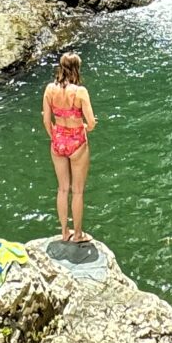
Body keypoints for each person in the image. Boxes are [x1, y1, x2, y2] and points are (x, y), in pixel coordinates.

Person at [42, 52, 97, 243]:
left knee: (63, 189)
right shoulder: (80, 92)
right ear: (77, 69)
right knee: (78, 191)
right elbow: (90, 123)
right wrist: (84, 127)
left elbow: (46, 121)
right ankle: (78, 234)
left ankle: (64, 232)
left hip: (58, 141)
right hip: (77, 142)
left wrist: (56, 137)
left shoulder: (49, 89)